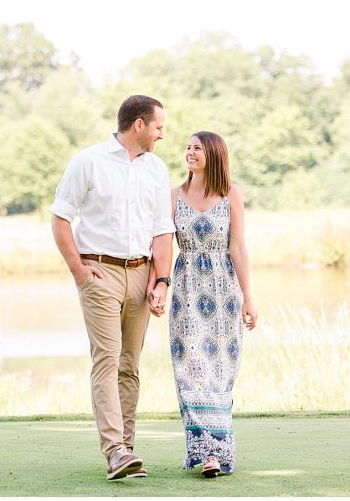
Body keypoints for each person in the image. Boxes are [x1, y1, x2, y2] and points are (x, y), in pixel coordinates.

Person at [49, 94, 175, 481]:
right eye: (158, 127)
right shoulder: (87, 162)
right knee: (107, 358)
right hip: (99, 272)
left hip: (141, 275)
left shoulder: (156, 169)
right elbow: (60, 217)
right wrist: (79, 271)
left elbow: (162, 230)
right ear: (138, 125)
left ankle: (128, 449)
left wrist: (161, 282)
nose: (161, 135)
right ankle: (115, 451)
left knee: (129, 366)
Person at [166, 131, 257, 478]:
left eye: (197, 149)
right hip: (187, 293)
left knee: (219, 373)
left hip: (224, 294)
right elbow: (161, 244)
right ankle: (205, 453)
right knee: (191, 371)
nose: (189, 153)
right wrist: (156, 285)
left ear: (214, 155)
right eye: (188, 147)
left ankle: (218, 450)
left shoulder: (230, 194)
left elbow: (238, 247)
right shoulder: (174, 196)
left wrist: (249, 297)